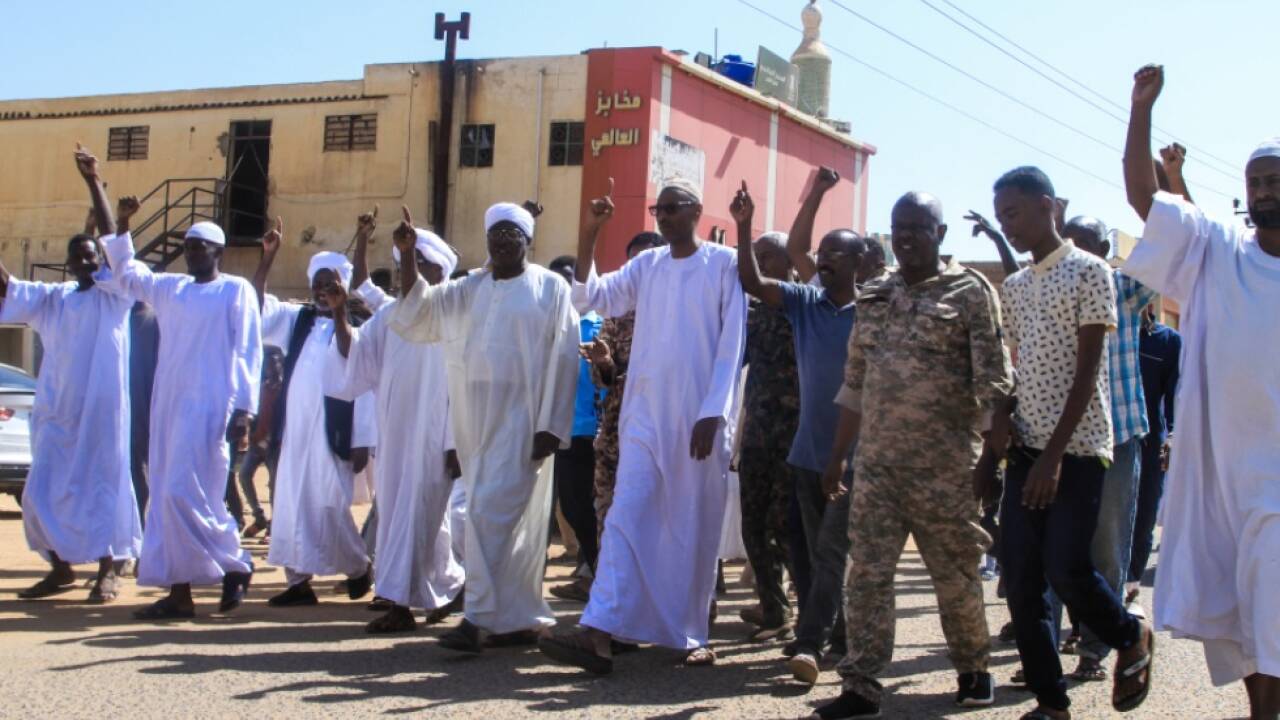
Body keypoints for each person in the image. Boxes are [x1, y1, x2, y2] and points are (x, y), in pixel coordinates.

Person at [807, 191, 1012, 718]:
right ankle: (862, 684)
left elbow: (993, 385)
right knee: (867, 576)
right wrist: (838, 457)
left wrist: (990, 465)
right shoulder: (875, 293)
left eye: (919, 227)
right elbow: (855, 383)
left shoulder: (970, 292)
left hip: (946, 469)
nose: (906, 237)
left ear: (940, 234)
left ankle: (973, 668)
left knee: (955, 574)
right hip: (877, 469)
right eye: (899, 226)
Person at [539, 176, 746, 672]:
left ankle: (692, 632)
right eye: (659, 209)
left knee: (690, 524)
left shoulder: (724, 264)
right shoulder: (647, 265)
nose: (664, 216)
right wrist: (591, 232)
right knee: (625, 518)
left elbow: (732, 343)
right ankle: (599, 631)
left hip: (698, 422)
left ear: (697, 211)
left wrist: (713, 412)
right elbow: (591, 296)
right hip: (643, 418)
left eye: (673, 208)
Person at [1123, 64, 1279, 719]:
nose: (1264, 191)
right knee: (1241, 621)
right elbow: (1144, 199)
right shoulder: (1219, 251)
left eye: (1274, 180)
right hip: (1223, 476)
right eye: (1256, 182)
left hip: (1275, 486)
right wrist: (1140, 109)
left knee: (1270, 607)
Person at [985, 165, 1154, 719]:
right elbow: (1016, 368)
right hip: (1026, 448)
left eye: (1013, 213)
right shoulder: (1014, 287)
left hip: (1079, 449)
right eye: (1000, 217)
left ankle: (1129, 634)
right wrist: (1000, 425)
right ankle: (1051, 702)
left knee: (1066, 567)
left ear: (1047, 206)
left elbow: (1088, 372)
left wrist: (1054, 458)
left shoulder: (1090, 272)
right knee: (1021, 581)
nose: (1007, 225)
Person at [389, 203, 579, 652]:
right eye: (496, 235)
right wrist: (408, 254)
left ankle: (476, 618)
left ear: (528, 241)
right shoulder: (469, 287)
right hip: (475, 420)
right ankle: (517, 620)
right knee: (495, 518)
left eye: (512, 235)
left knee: (488, 514)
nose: (502, 243)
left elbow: (565, 354)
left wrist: (552, 424)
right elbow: (418, 313)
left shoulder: (550, 287)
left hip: (524, 419)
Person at [98, 197, 260, 621]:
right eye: (187, 246)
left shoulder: (235, 289)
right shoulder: (172, 288)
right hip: (169, 407)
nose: (190, 253)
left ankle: (237, 563)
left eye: (198, 247)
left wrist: (244, 410)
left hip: (212, 409)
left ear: (218, 252)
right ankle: (181, 593)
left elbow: (248, 351)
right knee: (167, 498)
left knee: (188, 494)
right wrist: (122, 221)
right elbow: (126, 272)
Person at [740, 169, 868, 682]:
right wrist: (745, 226)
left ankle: (812, 642)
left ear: (860, 262)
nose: (826, 259)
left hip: (854, 458)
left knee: (833, 550)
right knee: (811, 552)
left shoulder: (875, 310)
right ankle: (835, 636)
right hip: (807, 453)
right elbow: (755, 280)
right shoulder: (807, 303)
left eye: (838, 253)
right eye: (824, 253)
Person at [0, 146, 141, 603]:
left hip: (101, 415)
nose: (85, 262)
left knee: (102, 490)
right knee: (40, 492)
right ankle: (60, 569)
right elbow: (7, 288)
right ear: (69, 263)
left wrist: (92, 180)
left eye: (91, 255)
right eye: (78, 257)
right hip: (57, 415)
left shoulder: (115, 294)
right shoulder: (53, 299)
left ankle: (108, 571)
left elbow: (116, 246)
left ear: (99, 260)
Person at [328, 207, 465, 633]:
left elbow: (463, 386)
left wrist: (455, 442)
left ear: (439, 271)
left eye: (421, 262)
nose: (413, 270)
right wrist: (339, 313)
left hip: (434, 437)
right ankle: (451, 583)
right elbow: (357, 358)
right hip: (395, 436)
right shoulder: (389, 315)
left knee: (418, 514)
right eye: (410, 260)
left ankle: (401, 605)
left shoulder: (453, 314)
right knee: (411, 516)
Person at [1055, 215, 1156, 682]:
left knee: (1107, 548)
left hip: (1116, 439)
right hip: (1065, 441)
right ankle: (1050, 643)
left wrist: (1161, 196)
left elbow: (1162, 253)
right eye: (1071, 242)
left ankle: (1095, 650)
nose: (1078, 252)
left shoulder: (1124, 289)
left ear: (1104, 249)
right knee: (1058, 547)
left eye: (1087, 244)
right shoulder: (1056, 290)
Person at [252, 227, 375, 608]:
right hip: (295, 432)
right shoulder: (298, 319)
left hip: (333, 434)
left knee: (329, 505)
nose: (322, 291)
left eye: (330, 284)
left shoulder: (359, 324)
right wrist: (268, 259)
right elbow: (256, 308)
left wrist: (362, 440)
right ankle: (298, 582)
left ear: (344, 287)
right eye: (318, 284)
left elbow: (362, 380)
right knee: (289, 503)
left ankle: (358, 567)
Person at [733, 229, 800, 639]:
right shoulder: (752, 314)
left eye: (766, 256)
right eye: (754, 255)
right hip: (758, 432)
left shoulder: (807, 306)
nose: (758, 263)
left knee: (785, 526)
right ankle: (774, 610)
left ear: (789, 261)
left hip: (795, 435)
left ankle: (812, 613)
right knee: (753, 524)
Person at [580, 232, 666, 536]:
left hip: (663, 433)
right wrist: (603, 362)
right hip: (617, 432)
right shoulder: (617, 314)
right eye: (633, 261)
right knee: (609, 514)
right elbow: (602, 379)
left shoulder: (679, 311)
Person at [546, 254, 605, 603]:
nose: (563, 287)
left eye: (568, 279)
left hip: (594, 431)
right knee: (571, 506)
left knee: (597, 506)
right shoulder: (547, 324)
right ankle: (595, 569)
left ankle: (599, 575)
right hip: (560, 430)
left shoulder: (599, 323)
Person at [1127, 305, 1178, 602]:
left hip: (1151, 447)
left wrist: (1172, 436)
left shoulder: (1168, 341)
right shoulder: (1111, 334)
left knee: (1144, 520)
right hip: (1115, 442)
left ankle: (1131, 588)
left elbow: (1176, 398)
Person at [238, 346, 284, 539]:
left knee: (275, 486)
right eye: (268, 364)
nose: (270, 367)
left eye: (274, 363)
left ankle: (275, 526)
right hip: (257, 442)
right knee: (244, 475)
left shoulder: (285, 390)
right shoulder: (260, 386)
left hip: (275, 445)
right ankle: (259, 518)